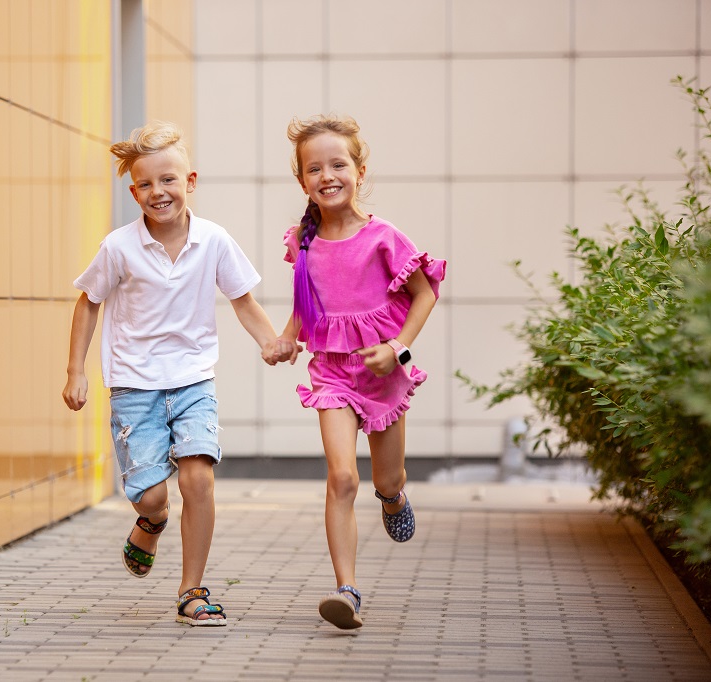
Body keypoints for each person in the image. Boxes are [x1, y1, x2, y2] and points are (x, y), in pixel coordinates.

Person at [62, 120, 281, 626]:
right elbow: (87, 304)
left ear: (191, 181)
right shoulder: (119, 247)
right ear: (134, 189)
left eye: (169, 180)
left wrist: (270, 341)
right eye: (146, 184)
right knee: (156, 495)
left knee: (198, 479)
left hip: (192, 381)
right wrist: (76, 371)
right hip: (135, 386)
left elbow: (242, 300)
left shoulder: (214, 240)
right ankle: (151, 521)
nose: (158, 192)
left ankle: (192, 591)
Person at [272, 114, 445, 630]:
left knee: (385, 476)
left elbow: (425, 294)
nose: (328, 175)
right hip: (332, 374)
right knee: (342, 477)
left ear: (360, 171)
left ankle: (392, 498)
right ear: (302, 180)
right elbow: (307, 307)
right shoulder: (303, 242)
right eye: (314, 168)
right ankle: (346, 589)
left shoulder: (384, 237)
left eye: (338, 164)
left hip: (384, 373)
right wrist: (286, 339)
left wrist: (398, 348)